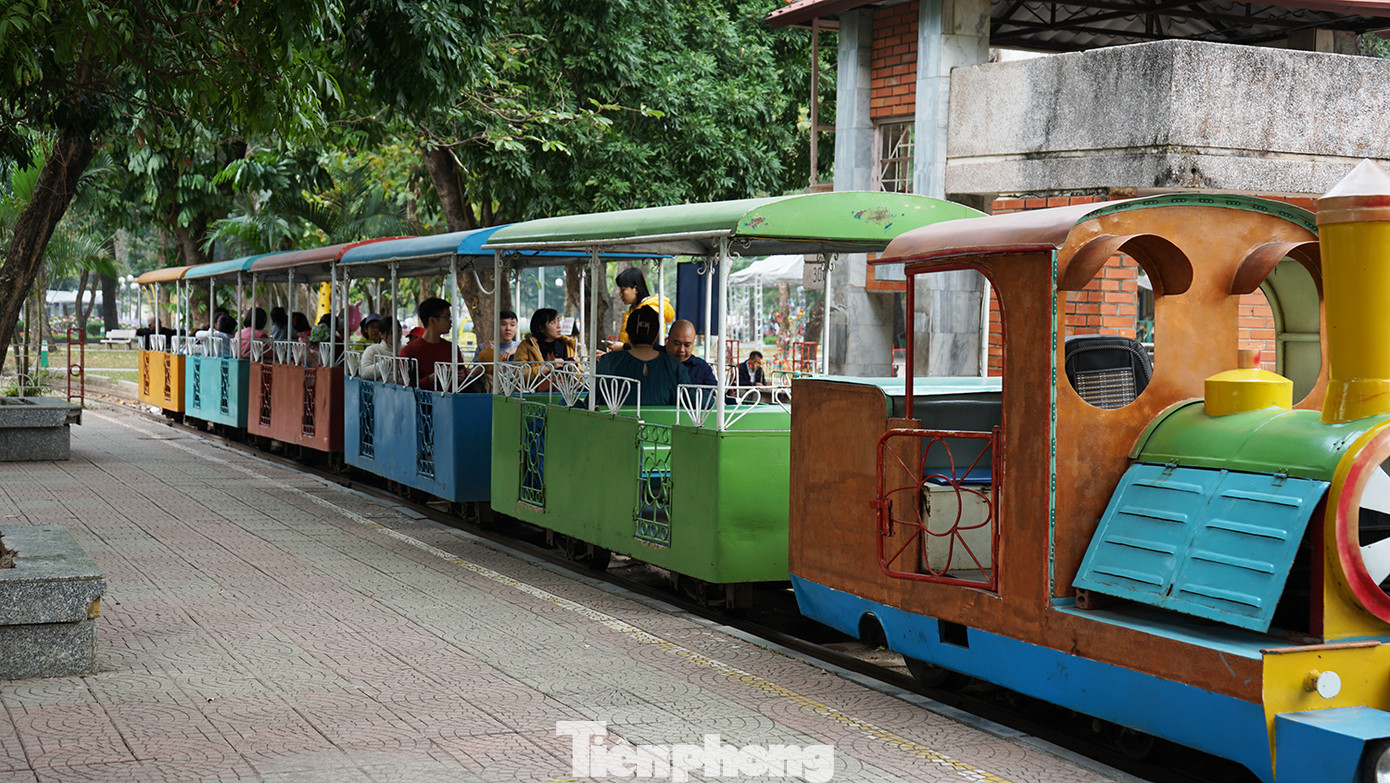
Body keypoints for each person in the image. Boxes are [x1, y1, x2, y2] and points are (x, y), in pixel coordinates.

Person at [597, 306, 689, 406]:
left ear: (628, 334)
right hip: (663, 422)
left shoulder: (609, 361)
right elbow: (692, 399)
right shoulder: (674, 365)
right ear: (655, 336)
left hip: (616, 421)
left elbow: (593, 399)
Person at [399, 297, 461, 389]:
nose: (451, 322)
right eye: (447, 317)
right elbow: (408, 388)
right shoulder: (409, 351)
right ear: (432, 320)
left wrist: (463, 376)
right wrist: (432, 378)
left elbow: (463, 380)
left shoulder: (452, 348)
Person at [614, 267, 674, 347]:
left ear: (635, 289)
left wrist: (623, 348)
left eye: (623, 290)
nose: (620, 294)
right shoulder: (631, 311)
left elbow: (649, 347)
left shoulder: (651, 312)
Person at [664, 320, 716, 386]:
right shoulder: (655, 358)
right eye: (676, 344)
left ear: (693, 343)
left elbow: (714, 394)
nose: (681, 349)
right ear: (667, 339)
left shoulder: (702, 368)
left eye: (687, 345)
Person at [359, 317, 395, 382]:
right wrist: (388, 362)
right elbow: (363, 373)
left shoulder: (405, 349)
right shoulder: (371, 349)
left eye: (398, 331)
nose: (375, 330)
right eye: (390, 332)